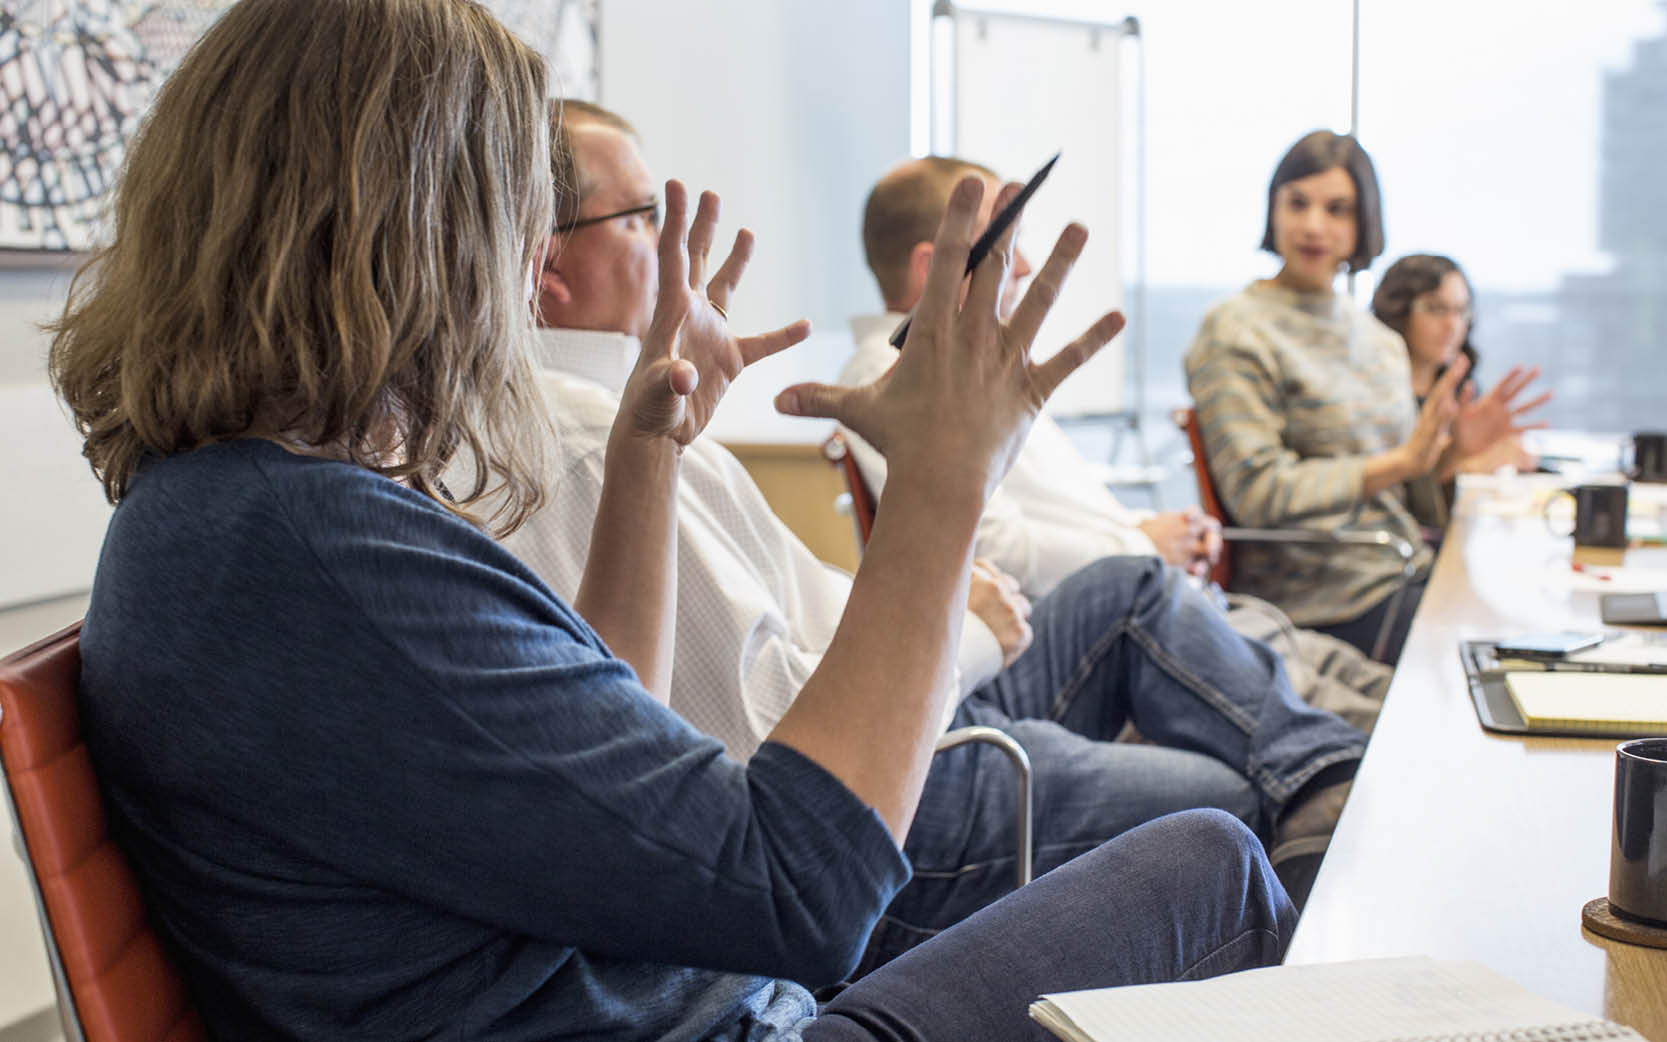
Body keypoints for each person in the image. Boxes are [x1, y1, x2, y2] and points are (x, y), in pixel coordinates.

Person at [47, 1, 1294, 1039]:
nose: (514, 269)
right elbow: (806, 891)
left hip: (708, 984)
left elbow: (604, 729)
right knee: (1215, 864)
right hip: (746, 1007)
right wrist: (941, 481)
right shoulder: (312, 547)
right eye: (504, 217)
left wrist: (643, 447)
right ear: (413, 236)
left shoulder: (239, 513)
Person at [505, 101, 1365, 969]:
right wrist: (963, 627)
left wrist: (961, 598)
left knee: (1140, 601)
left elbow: (808, 604)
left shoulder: (642, 413)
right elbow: (781, 752)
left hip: (930, 686)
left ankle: (1328, 777)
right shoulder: (595, 443)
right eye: (643, 216)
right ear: (547, 266)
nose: (672, 245)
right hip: (895, 775)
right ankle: (1330, 800)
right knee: (1230, 801)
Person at [842, 155, 1392, 732]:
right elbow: (994, 549)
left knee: (1377, 684)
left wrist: (1153, 530)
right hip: (1103, 632)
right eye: (1005, 247)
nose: (1025, 267)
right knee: (1378, 722)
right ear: (935, 267)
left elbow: (1060, 513)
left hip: (1158, 600)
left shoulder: (969, 371)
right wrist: (1140, 543)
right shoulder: (891, 384)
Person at [1183, 131, 1545, 663]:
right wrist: (1400, 461)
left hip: (1403, 568)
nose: (1313, 225)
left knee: (1542, 621)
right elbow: (1257, 491)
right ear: (1273, 209)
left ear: (1363, 223)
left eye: (1337, 209)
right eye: (1298, 203)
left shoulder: (1378, 341)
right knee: (1507, 661)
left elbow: (1404, 497)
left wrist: (1452, 458)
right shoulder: (1236, 329)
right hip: (1322, 597)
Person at [1372, 254, 1546, 520]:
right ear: (1398, 310)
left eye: (1461, 311)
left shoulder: (1460, 393)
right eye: (1436, 309)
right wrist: (1465, 461)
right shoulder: (1374, 395)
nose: (1452, 325)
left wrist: (1472, 454)